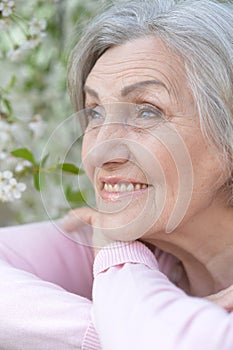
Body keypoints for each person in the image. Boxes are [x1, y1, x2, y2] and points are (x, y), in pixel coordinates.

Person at [0, 0, 233, 349]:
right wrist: (111, 313)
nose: (98, 152)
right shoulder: (136, 245)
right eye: (94, 113)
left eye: (146, 112)